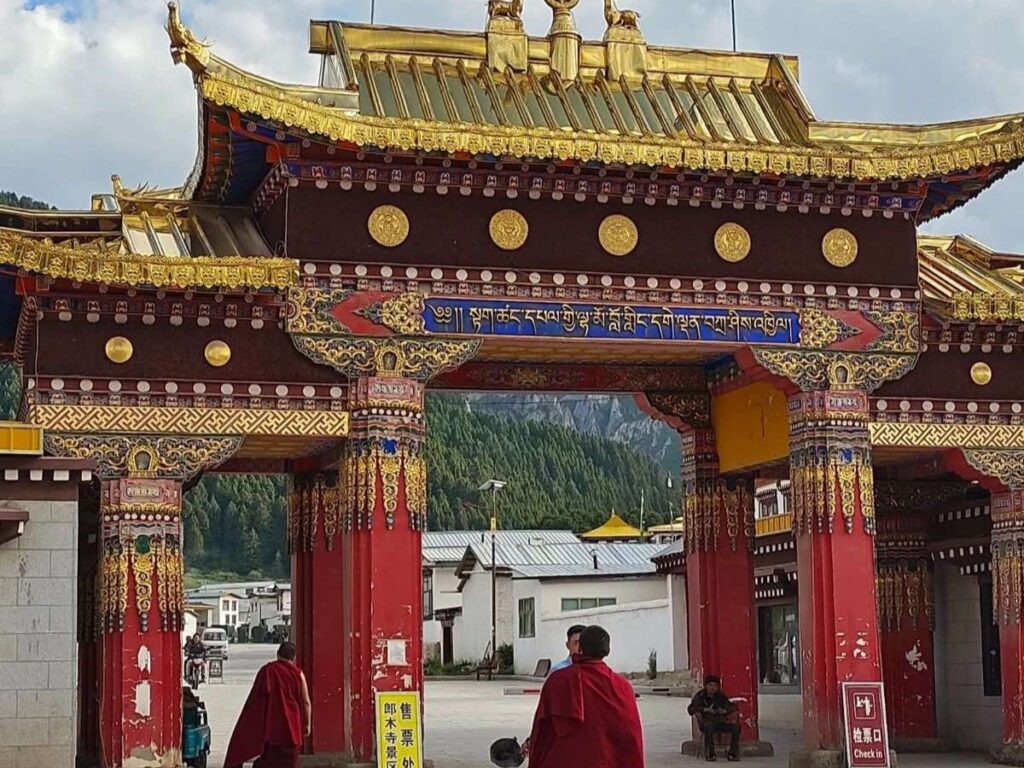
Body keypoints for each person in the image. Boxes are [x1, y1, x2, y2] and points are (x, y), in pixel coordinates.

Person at [527, 625, 644, 768]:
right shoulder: (622, 686)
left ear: (580, 648)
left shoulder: (557, 681)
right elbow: (631, 736)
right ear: (607, 651)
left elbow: (541, 731)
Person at [224, 642, 311, 768]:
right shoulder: (298, 674)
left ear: (277, 654)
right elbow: (306, 702)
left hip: (272, 729)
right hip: (292, 728)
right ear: (293, 657)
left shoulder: (267, 671)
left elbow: (254, 701)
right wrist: (307, 723)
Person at [686, 675, 740, 762]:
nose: (712, 688)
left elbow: (732, 706)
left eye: (715, 685)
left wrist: (725, 711)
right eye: (710, 685)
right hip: (707, 722)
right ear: (706, 686)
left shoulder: (720, 696)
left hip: (720, 721)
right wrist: (705, 709)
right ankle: (710, 753)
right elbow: (691, 709)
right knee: (709, 726)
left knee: (736, 727)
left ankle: (733, 753)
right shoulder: (701, 696)